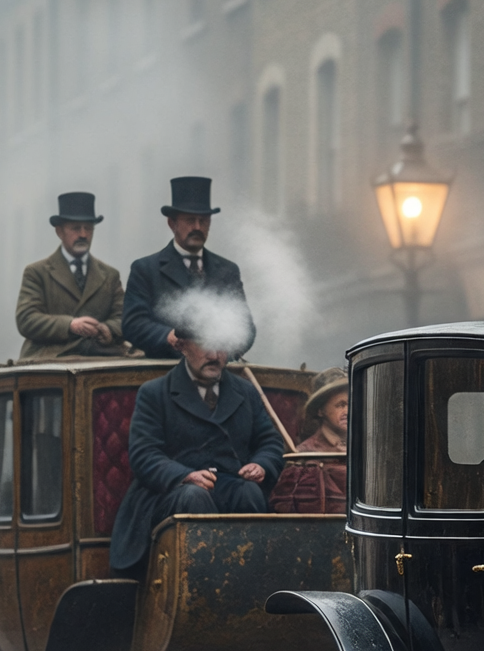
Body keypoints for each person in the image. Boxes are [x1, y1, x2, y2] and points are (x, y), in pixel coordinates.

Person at [109, 328, 286, 573]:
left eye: (222, 345)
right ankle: (199, 587)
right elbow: (144, 454)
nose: (215, 355)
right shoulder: (154, 393)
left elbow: (270, 442)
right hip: (170, 495)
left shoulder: (245, 392)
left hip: (230, 486)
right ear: (182, 345)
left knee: (250, 493)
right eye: (206, 345)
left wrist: (262, 464)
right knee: (194, 497)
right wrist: (184, 475)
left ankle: (249, 582)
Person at [122, 177, 248, 359]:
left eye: (203, 220)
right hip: (164, 375)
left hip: (217, 374)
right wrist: (167, 336)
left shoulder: (227, 271)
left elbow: (245, 327)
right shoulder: (145, 269)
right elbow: (133, 324)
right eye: (190, 220)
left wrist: (222, 354)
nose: (197, 227)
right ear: (172, 224)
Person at [16, 191, 126, 360]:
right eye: (76, 228)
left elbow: (124, 317)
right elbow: (27, 319)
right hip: (49, 360)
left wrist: (107, 329)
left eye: (88, 228)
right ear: (59, 232)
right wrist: (70, 325)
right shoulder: (37, 273)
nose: (83, 234)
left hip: (101, 357)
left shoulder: (110, 275)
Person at [268, 367, 348, 513]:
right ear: (320, 410)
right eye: (341, 405)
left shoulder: (368, 451)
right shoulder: (302, 458)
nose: (348, 412)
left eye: (352, 404)